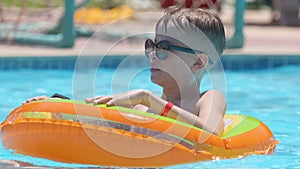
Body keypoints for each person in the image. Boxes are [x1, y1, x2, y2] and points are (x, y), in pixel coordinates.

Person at [24, 6, 226, 136]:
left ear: (198, 62)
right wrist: (54, 106)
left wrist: (149, 99)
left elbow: (210, 133)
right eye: (152, 45)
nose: (153, 54)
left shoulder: (207, 99)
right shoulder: (141, 110)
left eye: (165, 47)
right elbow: (95, 123)